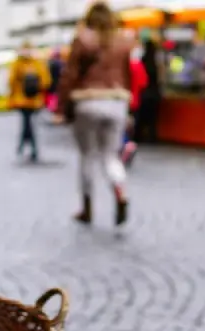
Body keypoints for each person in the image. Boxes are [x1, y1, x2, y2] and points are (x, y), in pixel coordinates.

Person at [57, 2, 134, 226]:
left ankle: (87, 208)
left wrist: (62, 106)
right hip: (117, 101)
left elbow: (70, 74)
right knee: (111, 155)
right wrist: (127, 102)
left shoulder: (82, 39)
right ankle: (120, 192)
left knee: (87, 155)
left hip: (87, 101)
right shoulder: (123, 41)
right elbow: (129, 75)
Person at [8, 41, 51, 162]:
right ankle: (30, 147)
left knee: (27, 123)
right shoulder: (36, 63)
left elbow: (11, 81)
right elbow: (46, 81)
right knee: (29, 123)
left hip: (24, 99)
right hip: (32, 100)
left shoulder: (18, 64)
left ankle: (24, 145)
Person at [120, 50, 148, 167]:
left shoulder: (121, 64)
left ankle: (124, 145)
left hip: (120, 99)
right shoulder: (138, 65)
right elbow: (144, 83)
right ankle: (128, 144)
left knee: (120, 125)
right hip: (134, 101)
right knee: (129, 125)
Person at [135, 39, 162, 143]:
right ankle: (152, 136)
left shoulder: (142, 61)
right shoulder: (157, 63)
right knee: (152, 118)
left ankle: (138, 136)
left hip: (144, 92)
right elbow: (160, 78)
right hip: (154, 93)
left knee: (141, 117)